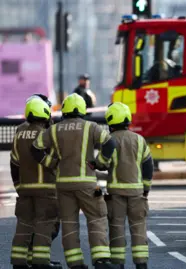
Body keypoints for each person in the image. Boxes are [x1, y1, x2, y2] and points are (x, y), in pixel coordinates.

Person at [31, 93, 117, 269]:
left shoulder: (54, 130)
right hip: (88, 183)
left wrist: (52, 164)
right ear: (83, 110)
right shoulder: (91, 127)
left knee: (69, 223)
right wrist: (99, 163)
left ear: (65, 110)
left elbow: (36, 148)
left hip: (63, 184)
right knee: (97, 218)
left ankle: (75, 263)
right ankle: (101, 260)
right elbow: (110, 144)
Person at [91, 102, 154, 269]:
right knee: (138, 228)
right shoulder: (139, 140)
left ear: (111, 120)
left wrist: (94, 163)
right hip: (137, 193)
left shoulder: (110, 140)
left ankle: (118, 263)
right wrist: (145, 189)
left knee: (116, 228)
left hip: (116, 194)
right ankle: (141, 263)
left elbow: (103, 164)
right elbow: (148, 166)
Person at [10, 97, 61, 269]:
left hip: (24, 189)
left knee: (24, 225)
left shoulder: (19, 133)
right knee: (45, 225)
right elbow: (56, 160)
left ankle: (20, 261)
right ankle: (41, 261)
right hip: (46, 188)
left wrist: (18, 186)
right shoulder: (48, 134)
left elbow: (14, 163)